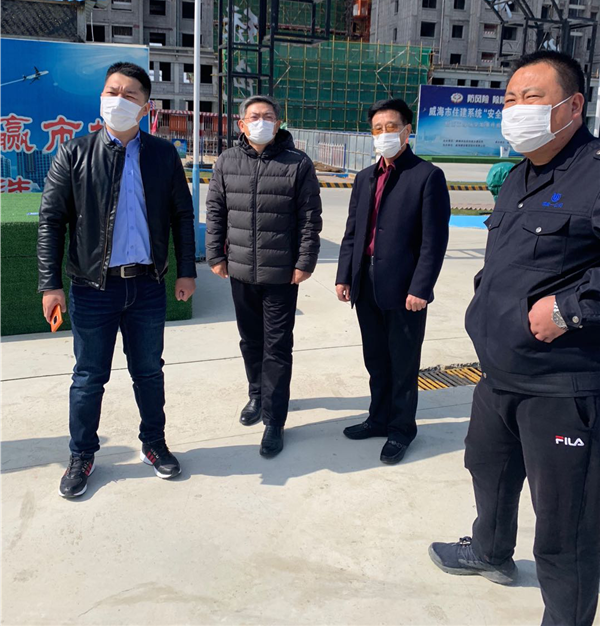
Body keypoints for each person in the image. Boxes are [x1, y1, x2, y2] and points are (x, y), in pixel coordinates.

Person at [429, 51, 600, 626]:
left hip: (562, 387)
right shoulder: (519, 176)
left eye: (531, 97)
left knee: (564, 529)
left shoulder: (596, 173)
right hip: (499, 373)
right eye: (509, 99)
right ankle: (489, 551)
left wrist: (570, 309)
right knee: (488, 471)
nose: (515, 109)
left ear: (572, 107)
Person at [38, 62, 196, 498]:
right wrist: (51, 284)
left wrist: (186, 271)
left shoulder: (162, 155)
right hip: (93, 288)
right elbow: (51, 220)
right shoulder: (74, 153)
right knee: (89, 377)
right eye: (112, 91)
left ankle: (154, 444)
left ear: (145, 108)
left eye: (130, 95)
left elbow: (182, 216)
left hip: (147, 285)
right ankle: (81, 455)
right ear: (101, 97)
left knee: (149, 372)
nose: (118, 101)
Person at [205, 95, 322, 458]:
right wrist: (215, 254)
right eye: (253, 116)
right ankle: (256, 394)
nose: (261, 122)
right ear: (241, 124)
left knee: (277, 347)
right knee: (250, 341)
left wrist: (305, 261)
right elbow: (215, 210)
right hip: (240, 270)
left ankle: (274, 419)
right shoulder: (227, 161)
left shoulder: (297, 163)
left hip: (281, 274)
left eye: (268, 116)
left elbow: (309, 218)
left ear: (278, 123)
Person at [335, 98, 450, 464]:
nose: (383, 134)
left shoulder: (427, 176)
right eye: (377, 129)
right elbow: (353, 232)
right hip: (365, 282)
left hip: (404, 289)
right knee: (376, 358)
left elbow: (434, 241)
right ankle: (378, 418)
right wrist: (344, 275)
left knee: (403, 363)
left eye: (390, 127)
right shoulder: (365, 177)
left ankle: (401, 429)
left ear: (406, 131)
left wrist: (421, 288)